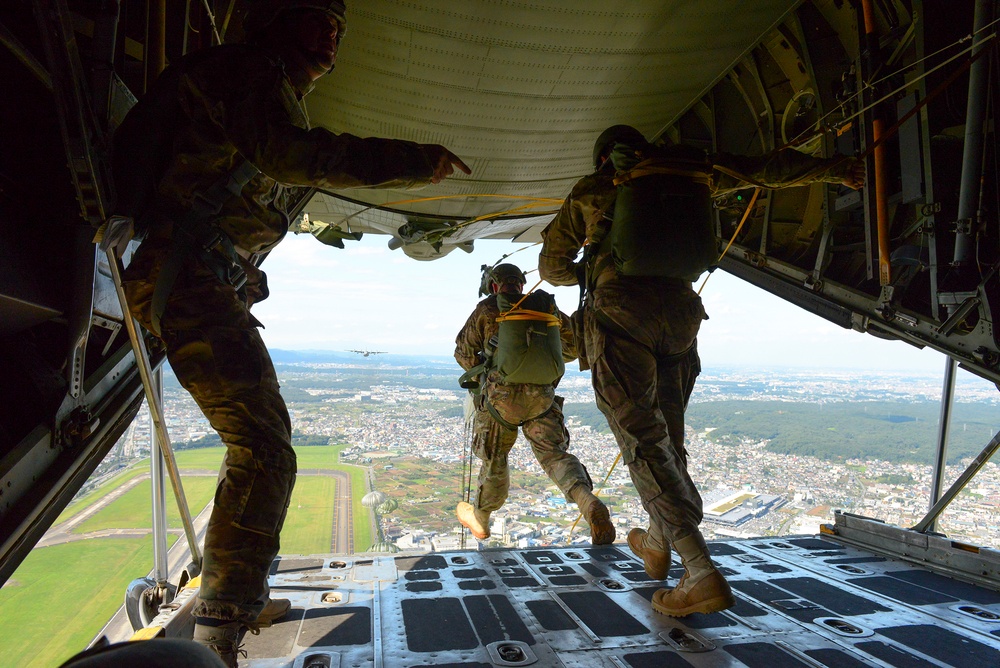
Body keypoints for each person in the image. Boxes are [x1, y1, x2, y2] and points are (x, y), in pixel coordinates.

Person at [117, 1, 470, 663]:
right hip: (187, 275)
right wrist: (413, 160)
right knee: (264, 445)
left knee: (261, 443)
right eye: (316, 21)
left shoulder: (248, 81)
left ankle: (235, 594)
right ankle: (221, 627)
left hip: (197, 277)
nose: (331, 39)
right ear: (272, 21)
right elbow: (289, 157)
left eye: (337, 27)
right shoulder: (248, 73)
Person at [538, 125, 865, 617]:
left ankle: (699, 571)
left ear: (604, 157)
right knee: (668, 437)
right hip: (681, 312)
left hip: (620, 312)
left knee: (643, 441)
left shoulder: (594, 189)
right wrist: (837, 168)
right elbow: (767, 169)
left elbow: (552, 267)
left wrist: (590, 264)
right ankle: (655, 540)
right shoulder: (694, 173)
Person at [454, 263, 615, 546]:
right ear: (521, 283)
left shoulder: (488, 309)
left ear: (494, 286)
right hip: (542, 396)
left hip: (500, 400)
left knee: (495, 459)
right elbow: (575, 346)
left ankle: (481, 517)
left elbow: (463, 354)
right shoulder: (544, 307)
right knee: (554, 455)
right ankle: (587, 501)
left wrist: (493, 365)